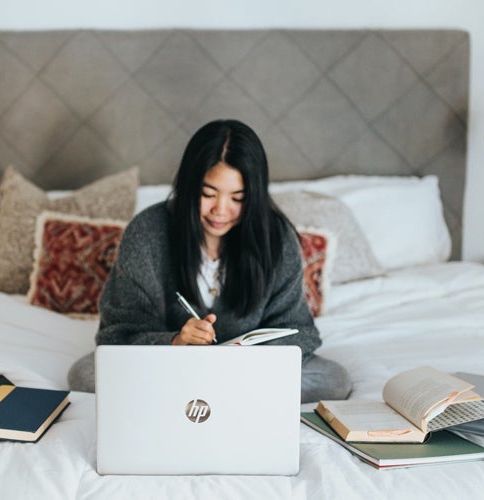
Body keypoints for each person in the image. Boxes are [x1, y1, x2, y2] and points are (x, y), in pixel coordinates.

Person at [67, 119, 352, 403]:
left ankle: (193, 397)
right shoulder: (147, 232)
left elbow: (299, 331)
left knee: (333, 380)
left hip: (246, 371)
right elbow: (118, 334)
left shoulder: (276, 239)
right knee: (86, 374)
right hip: (167, 364)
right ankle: (222, 398)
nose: (221, 210)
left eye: (238, 198)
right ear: (189, 186)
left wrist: (245, 358)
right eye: (208, 194)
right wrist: (175, 342)